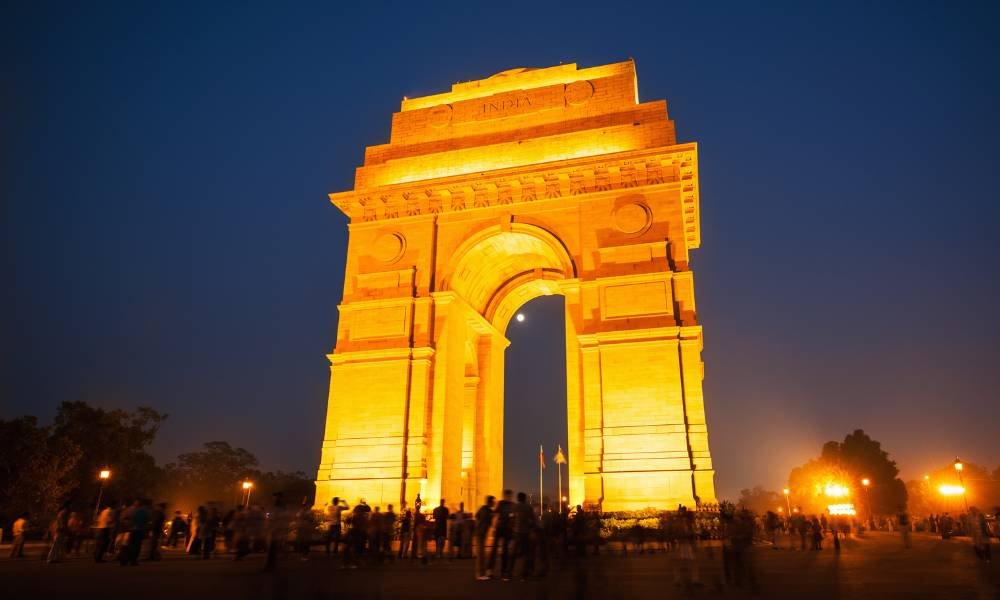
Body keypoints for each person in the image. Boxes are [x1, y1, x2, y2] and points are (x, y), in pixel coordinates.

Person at [489, 490, 515, 579]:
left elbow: (495, 514)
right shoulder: (511, 505)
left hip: (502, 529)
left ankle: (494, 571)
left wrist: (494, 526)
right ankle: (499, 571)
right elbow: (496, 515)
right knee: (501, 551)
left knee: (500, 550)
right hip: (504, 529)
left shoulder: (502, 504)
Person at [511, 492, 537, 580]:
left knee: (513, 553)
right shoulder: (528, 508)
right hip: (526, 532)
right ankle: (524, 575)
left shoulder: (514, 507)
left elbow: (511, 518)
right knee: (526, 554)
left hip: (516, 532)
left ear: (518, 499)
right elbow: (533, 520)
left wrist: (513, 527)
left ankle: (509, 573)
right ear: (525, 498)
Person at [120, 499, 151, 566]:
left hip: (131, 530)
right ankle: (132, 560)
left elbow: (124, 519)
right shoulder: (144, 511)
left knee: (128, 546)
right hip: (136, 530)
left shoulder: (133, 510)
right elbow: (147, 521)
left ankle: (125, 560)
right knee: (135, 546)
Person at [474, 495, 495, 580]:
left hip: (480, 532)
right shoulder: (488, 510)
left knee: (481, 554)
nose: (494, 503)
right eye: (493, 501)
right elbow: (488, 521)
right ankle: (480, 574)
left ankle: (481, 573)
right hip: (481, 533)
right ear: (489, 502)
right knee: (481, 554)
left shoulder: (483, 508)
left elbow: (476, 516)